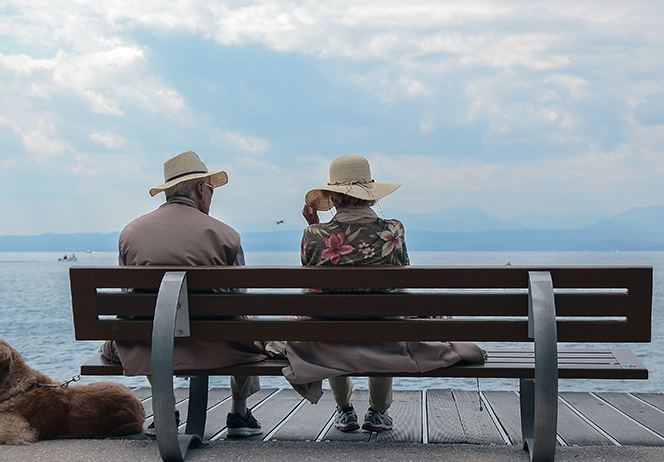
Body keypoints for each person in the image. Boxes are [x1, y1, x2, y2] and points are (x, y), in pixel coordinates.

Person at [283, 154, 486, 433]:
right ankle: (378, 411)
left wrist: (313, 225)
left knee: (327, 323)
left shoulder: (314, 234)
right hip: (385, 336)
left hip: (328, 338)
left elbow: (311, 281)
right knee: (386, 320)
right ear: (370, 195)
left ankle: (344, 410)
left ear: (335, 196)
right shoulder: (393, 230)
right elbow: (402, 274)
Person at [101, 150, 267, 438]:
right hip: (218, 345)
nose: (212, 197)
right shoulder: (226, 235)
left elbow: (128, 294)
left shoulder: (130, 233)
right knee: (245, 320)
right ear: (201, 189)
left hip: (146, 344)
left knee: (148, 320)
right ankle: (239, 412)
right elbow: (240, 298)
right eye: (212, 190)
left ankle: (165, 410)